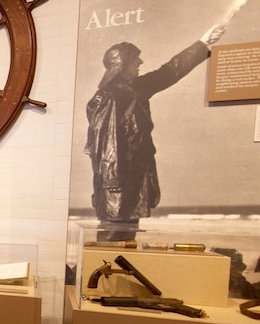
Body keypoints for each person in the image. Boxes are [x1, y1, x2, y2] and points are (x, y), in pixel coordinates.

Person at [84, 24, 225, 227]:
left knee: (124, 240)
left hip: (130, 181)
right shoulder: (108, 96)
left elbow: (169, 72)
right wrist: (112, 185)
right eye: (135, 59)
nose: (140, 62)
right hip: (118, 185)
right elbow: (105, 144)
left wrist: (203, 43)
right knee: (113, 240)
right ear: (121, 64)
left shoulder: (135, 89)